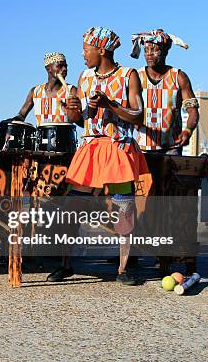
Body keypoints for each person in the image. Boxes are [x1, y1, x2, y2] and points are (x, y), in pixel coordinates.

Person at [57, 27, 149, 285]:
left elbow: (138, 115)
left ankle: (124, 269)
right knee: (72, 209)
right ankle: (66, 265)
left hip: (118, 149)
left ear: (101, 49)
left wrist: (110, 104)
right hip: (91, 149)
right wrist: (74, 111)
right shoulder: (84, 77)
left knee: (124, 209)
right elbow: (79, 120)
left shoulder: (128, 75)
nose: (83, 54)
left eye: (86, 49)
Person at [130, 29, 199, 154]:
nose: (149, 54)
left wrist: (187, 131)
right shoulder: (136, 76)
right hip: (142, 147)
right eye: (146, 50)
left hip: (172, 147)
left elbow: (193, 111)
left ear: (165, 51)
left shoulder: (178, 77)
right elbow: (127, 109)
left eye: (154, 50)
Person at [14, 52, 81, 125]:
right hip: (41, 136)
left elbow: (82, 123)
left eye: (65, 66)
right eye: (60, 66)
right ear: (48, 68)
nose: (64, 69)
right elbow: (21, 115)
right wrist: (14, 120)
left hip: (66, 136)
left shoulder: (72, 91)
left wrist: (73, 114)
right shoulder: (36, 92)